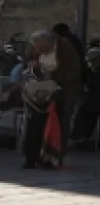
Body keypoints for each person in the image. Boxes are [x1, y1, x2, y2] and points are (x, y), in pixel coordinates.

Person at [21, 30, 83, 169]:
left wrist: (53, 75)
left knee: (59, 123)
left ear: (49, 44)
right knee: (34, 123)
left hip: (62, 91)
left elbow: (72, 72)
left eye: (41, 49)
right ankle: (31, 156)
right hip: (40, 91)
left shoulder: (66, 48)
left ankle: (52, 157)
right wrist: (33, 67)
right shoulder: (35, 46)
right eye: (37, 49)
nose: (39, 52)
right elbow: (27, 61)